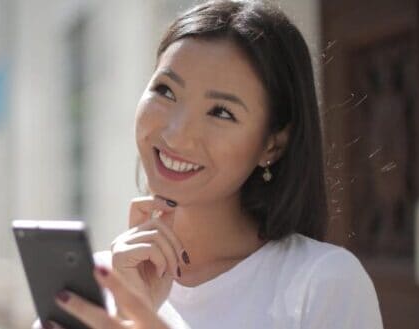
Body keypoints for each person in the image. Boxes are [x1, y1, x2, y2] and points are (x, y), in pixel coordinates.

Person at [38, 0, 383, 328]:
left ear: (272, 145)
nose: (176, 135)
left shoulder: (323, 283)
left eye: (221, 112)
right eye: (166, 91)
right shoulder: (93, 286)